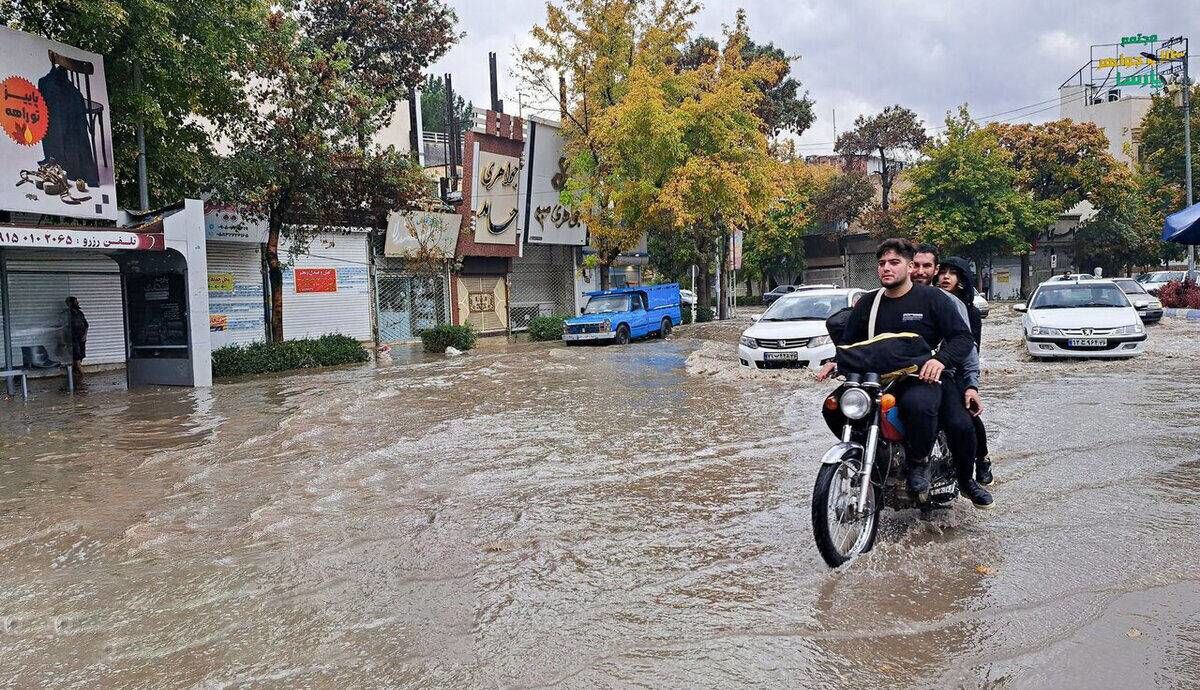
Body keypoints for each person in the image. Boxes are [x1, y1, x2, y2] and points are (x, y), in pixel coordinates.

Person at [817, 239, 992, 508]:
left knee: (937, 413)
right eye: (882, 263)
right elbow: (851, 343)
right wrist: (835, 361)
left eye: (894, 263)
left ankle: (929, 466)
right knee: (833, 406)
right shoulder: (867, 303)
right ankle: (872, 455)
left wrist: (942, 361)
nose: (886, 268)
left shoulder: (934, 299)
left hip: (922, 376)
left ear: (909, 267)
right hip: (878, 376)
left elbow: (962, 338)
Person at [911, 245, 992, 500]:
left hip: (946, 373)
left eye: (927, 267)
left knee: (962, 421)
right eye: (916, 265)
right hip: (899, 375)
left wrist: (970, 385)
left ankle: (970, 471)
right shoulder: (883, 297)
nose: (920, 271)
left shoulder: (953, 304)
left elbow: (967, 347)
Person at [938, 257, 993, 487]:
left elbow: (971, 348)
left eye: (952, 273)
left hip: (957, 369)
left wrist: (970, 382)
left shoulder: (969, 312)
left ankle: (981, 458)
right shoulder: (930, 301)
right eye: (942, 272)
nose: (945, 277)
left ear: (961, 280)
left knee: (968, 413)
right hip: (931, 368)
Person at [66, 296, 88, 382]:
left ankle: (76, 375)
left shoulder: (80, 313)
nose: (77, 303)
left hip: (81, 338)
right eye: (75, 302)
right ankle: (82, 375)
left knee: (81, 356)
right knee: (77, 356)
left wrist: (85, 336)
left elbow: (86, 325)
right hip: (72, 338)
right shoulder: (67, 314)